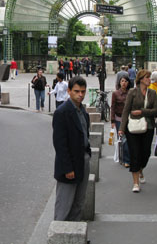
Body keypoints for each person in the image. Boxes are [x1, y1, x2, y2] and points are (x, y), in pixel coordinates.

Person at [52, 76, 91, 221]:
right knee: (64, 204)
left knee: (79, 202)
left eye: (82, 91)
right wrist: (68, 168)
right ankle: (60, 235)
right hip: (69, 164)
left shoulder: (83, 111)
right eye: (76, 91)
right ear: (69, 91)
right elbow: (59, 144)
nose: (80, 94)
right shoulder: (62, 112)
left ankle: (75, 233)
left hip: (83, 159)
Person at [119, 70, 157, 192]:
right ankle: (135, 182)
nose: (149, 79)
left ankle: (141, 169)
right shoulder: (132, 92)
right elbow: (126, 110)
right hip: (133, 126)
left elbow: (156, 110)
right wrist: (121, 128)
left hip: (149, 126)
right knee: (134, 153)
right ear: (141, 79)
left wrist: (142, 112)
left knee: (146, 153)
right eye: (147, 77)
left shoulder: (152, 93)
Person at [111, 75, 130, 167]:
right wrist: (112, 121)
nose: (124, 83)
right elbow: (113, 107)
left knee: (128, 139)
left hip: (129, 119)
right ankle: (124, 159)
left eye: (126, 81)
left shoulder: (130, 93)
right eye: (122, 81)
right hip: (119, 119)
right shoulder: (115, 94)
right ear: (119, 82)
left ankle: (126, 159)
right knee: (122, 139)